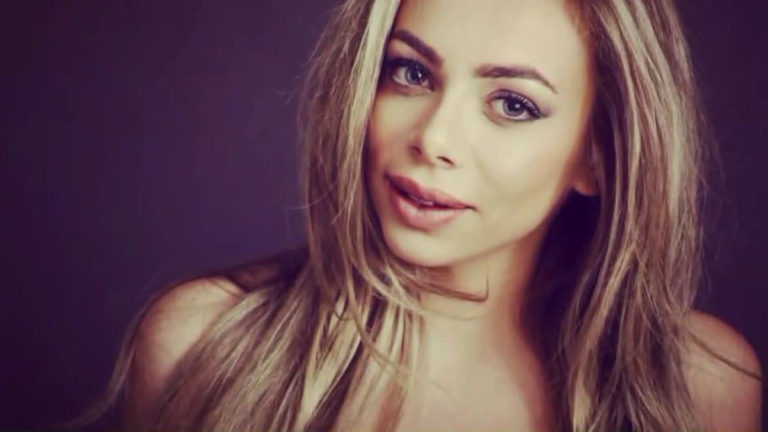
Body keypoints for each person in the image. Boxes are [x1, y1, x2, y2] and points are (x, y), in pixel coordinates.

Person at [77, 0, 762, 430]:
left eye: (513, 104)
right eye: (411, 73)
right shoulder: (202, 349)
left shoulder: (702, 390)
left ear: (599, 155)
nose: (433, 138)